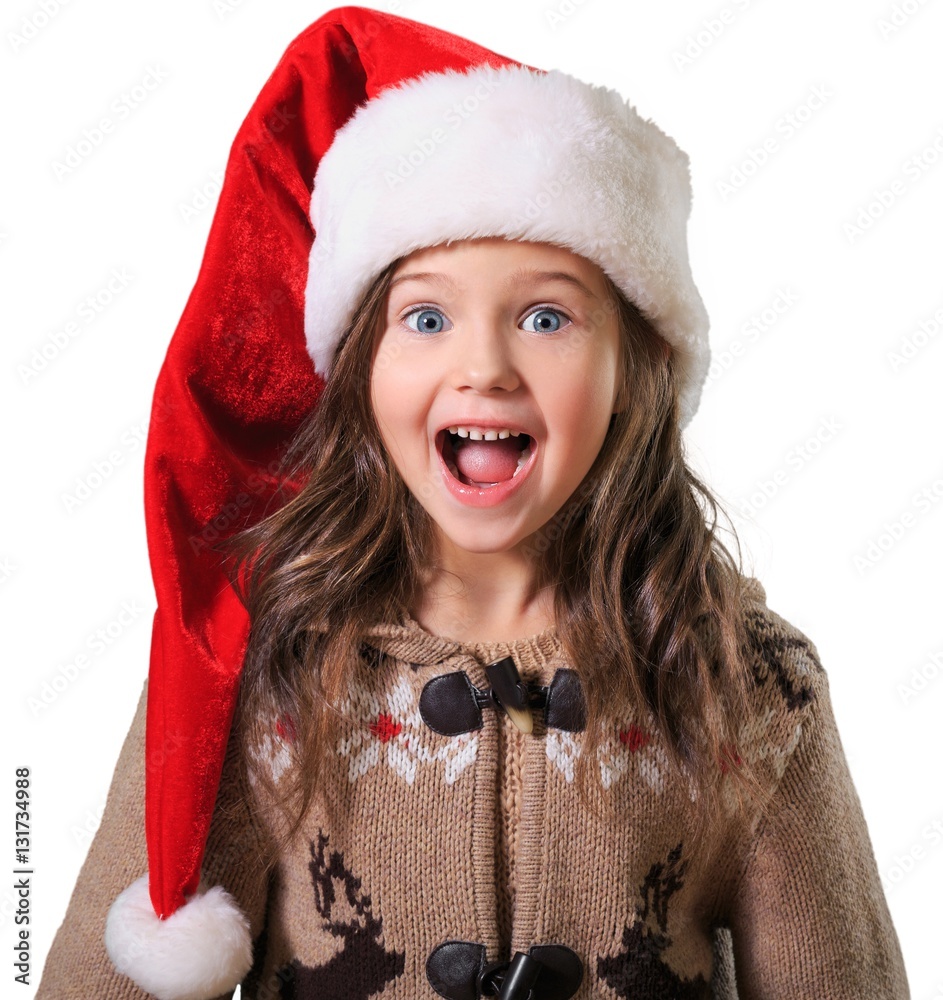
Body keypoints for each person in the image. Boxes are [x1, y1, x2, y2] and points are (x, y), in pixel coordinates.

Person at [37, 7, 908, 1000]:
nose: (484, 365)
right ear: (361, 367)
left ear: (636, 367)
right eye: (425, 315)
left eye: (545, 316)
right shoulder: (252, 672)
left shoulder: (747, 687)